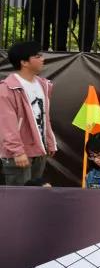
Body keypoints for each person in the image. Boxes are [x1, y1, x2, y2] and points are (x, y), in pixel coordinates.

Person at [0, 41, 56, 185]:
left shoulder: (43, 85)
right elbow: (7, 124)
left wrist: (50, 142)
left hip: (40, 151)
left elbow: (44, 117)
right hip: (18, 154)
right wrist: (17, 152)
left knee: (35, 194)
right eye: (37, 56)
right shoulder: (7, 88)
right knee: (19, 196)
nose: (42, 59)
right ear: (24, 62)